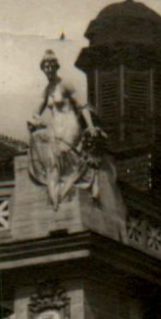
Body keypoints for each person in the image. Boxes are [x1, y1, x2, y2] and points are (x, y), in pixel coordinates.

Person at [27, 51, 106, 209]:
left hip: (70, 124)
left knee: (63, 151)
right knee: (48, 152)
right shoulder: (47, 90)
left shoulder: (65, 84)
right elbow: (36, 111)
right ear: (43, 69)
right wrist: (33, 120)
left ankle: (90, 176)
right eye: (45, 66)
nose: (48, 69)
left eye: (51, 65)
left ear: (56, 67)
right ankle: (58, 190)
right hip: (56, 126)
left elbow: (82, 105)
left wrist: (90, 126)